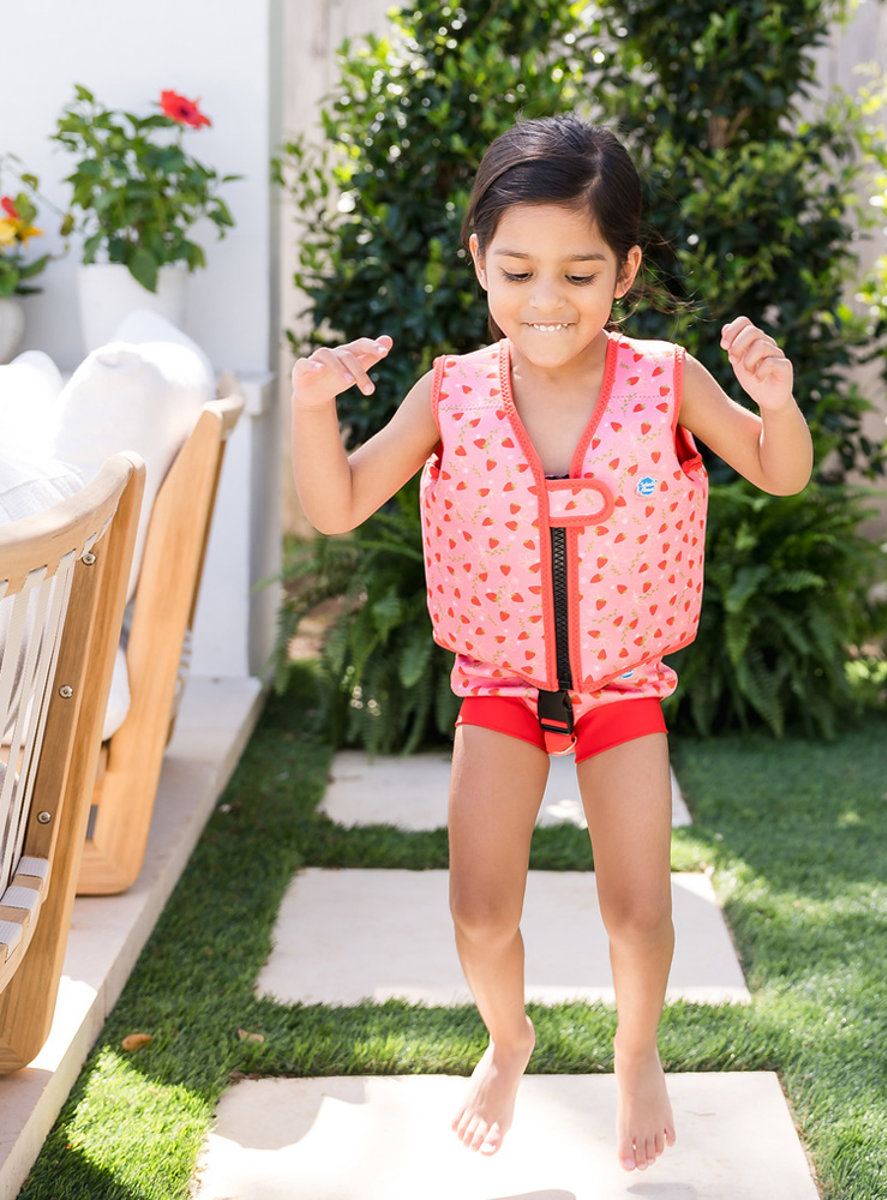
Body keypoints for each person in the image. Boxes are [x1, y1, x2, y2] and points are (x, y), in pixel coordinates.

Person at [290, 114, 813, 1174]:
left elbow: (779, 469)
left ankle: (635, 1050)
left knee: (639, 913)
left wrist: (778, 399)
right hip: (502, 683)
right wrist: (309, 407)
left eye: (579, 273)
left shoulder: (667, 379)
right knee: (480, 913)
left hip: (623, 684)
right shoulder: (453, 392)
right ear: (481, 258)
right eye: (518, 269)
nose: (545, 301)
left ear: (624, 271)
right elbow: (338, 505)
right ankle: (508, 1037)